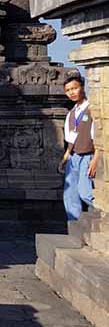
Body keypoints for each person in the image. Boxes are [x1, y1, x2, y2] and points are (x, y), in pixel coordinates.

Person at [59, 75, 99, 221]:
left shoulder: (92, 110)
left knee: (85, 192)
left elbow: (98, 138)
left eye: (75, 88)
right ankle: (75, 226)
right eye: (68, 90)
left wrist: (95, 160)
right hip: (73, 157)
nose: (72, 92)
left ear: (82, 87)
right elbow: (71, 140)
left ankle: (104, 214)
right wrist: (65, 158)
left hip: (88, 155)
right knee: (70, 195)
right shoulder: (71, 114)